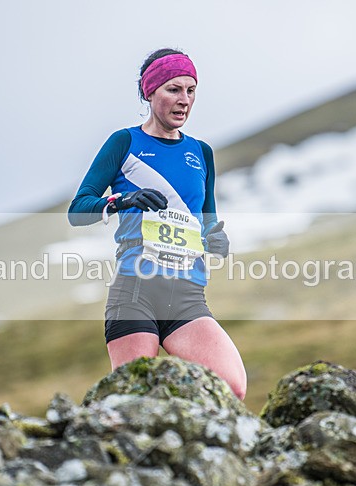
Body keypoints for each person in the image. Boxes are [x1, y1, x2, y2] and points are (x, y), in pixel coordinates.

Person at [68, 48, 247, 400]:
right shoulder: (125, 143)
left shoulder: (201, 152)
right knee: (131, 400)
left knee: (233, 387)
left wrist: (216, 239)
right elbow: (78, 209)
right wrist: (122, 201)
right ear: (150, 93)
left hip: (187, 296)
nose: (184, 100)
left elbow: (207, 222)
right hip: (136, 292)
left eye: (190, 90)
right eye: (173, 90)